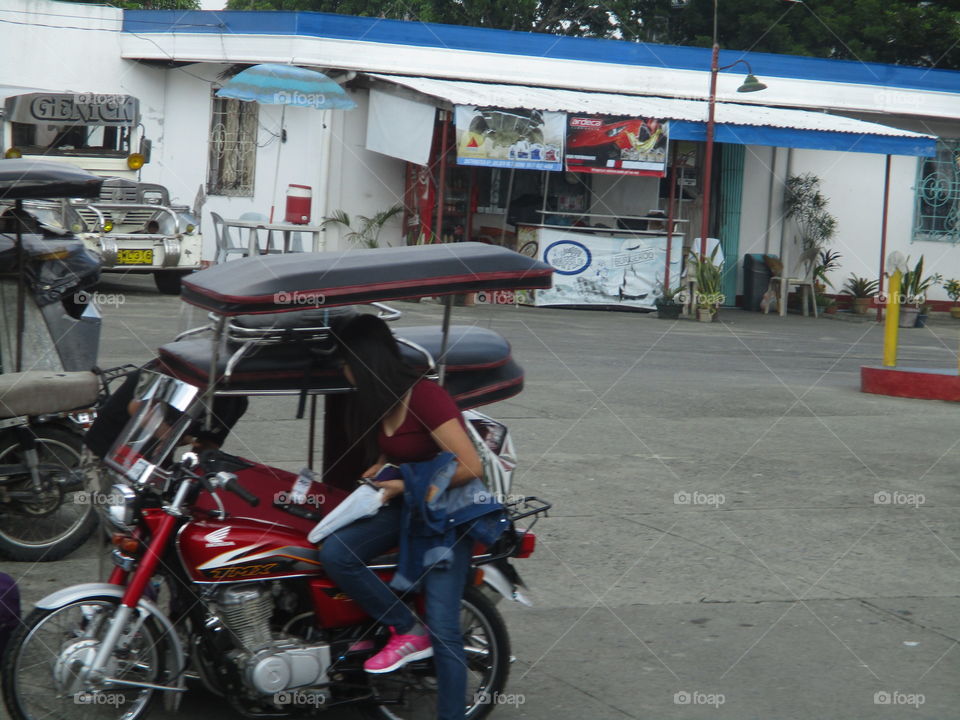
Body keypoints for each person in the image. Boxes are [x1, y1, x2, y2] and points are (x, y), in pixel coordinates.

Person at [318, 313, 484, 720]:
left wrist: (403, 484)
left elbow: (469, 465)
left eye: (344, 362)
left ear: (363, 361)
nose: (342, 372)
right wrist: (382, 465)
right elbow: (404, 450)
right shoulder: (381, 398)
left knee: (445, 629)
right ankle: (404, 626)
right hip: (408, 506)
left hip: (447, 516)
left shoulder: (426, 396)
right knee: (336, 554)